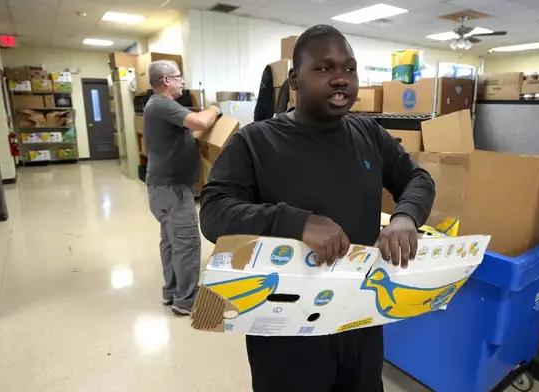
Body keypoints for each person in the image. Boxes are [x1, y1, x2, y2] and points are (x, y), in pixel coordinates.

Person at [199, 25, 435, 392]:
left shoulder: (369, 133)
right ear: (295, 80)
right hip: (285, 329)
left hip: (360, 319)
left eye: (349, 69)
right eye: (324, 69)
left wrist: (405, 217)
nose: (341, 79)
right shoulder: (256, 141)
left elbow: (418, 179)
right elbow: (214, 212)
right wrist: (297, 222)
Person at [143, 60, 221, 316]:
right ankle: (186, 301)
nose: (183, 81)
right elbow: (199, 122)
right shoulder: (161, 104)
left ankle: (172, 292)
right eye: (178, 77)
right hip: (172, 190)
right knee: (186, 244)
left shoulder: (160, 106)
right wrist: (214, 108)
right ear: (165, 80)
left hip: (163, 188)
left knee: (171, 242)